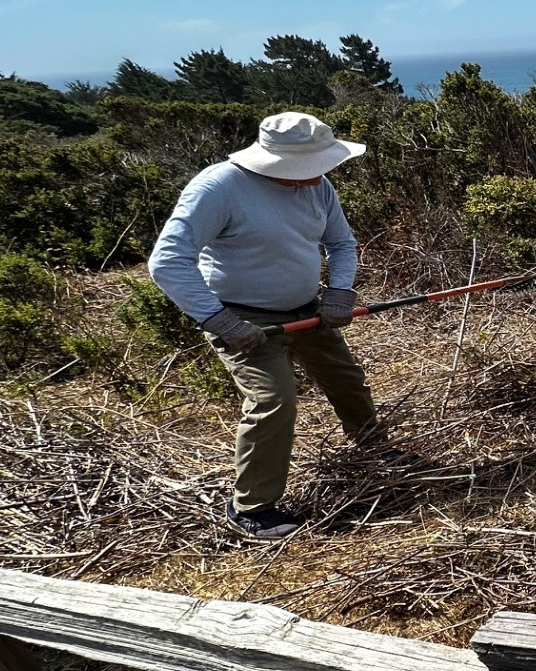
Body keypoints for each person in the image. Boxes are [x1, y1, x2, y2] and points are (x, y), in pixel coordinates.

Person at [148, 111, 381, 541]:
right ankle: (250, 507)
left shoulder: (320, 187)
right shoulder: (218, 188)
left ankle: (374, 448)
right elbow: (167, 261)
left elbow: (342, 244)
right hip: (242, 316)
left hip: (307, 308)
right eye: (308, 168)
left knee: (345, 378)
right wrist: (221, 321)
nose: (319, 175)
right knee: (274, 399)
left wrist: (340, 292)